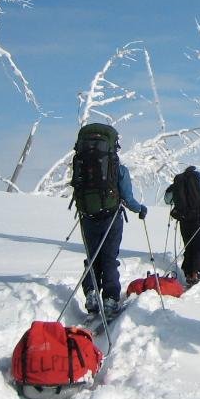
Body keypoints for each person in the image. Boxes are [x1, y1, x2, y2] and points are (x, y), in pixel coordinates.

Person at [70, 123, 147, 317]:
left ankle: (91, 295)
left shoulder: (81, 162)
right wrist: (140, 209)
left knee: (93, 257)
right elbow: (128, 199)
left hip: (87, 215)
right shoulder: (118, 169)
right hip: (111, 217)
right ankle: (110, 299)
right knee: (109, 258)